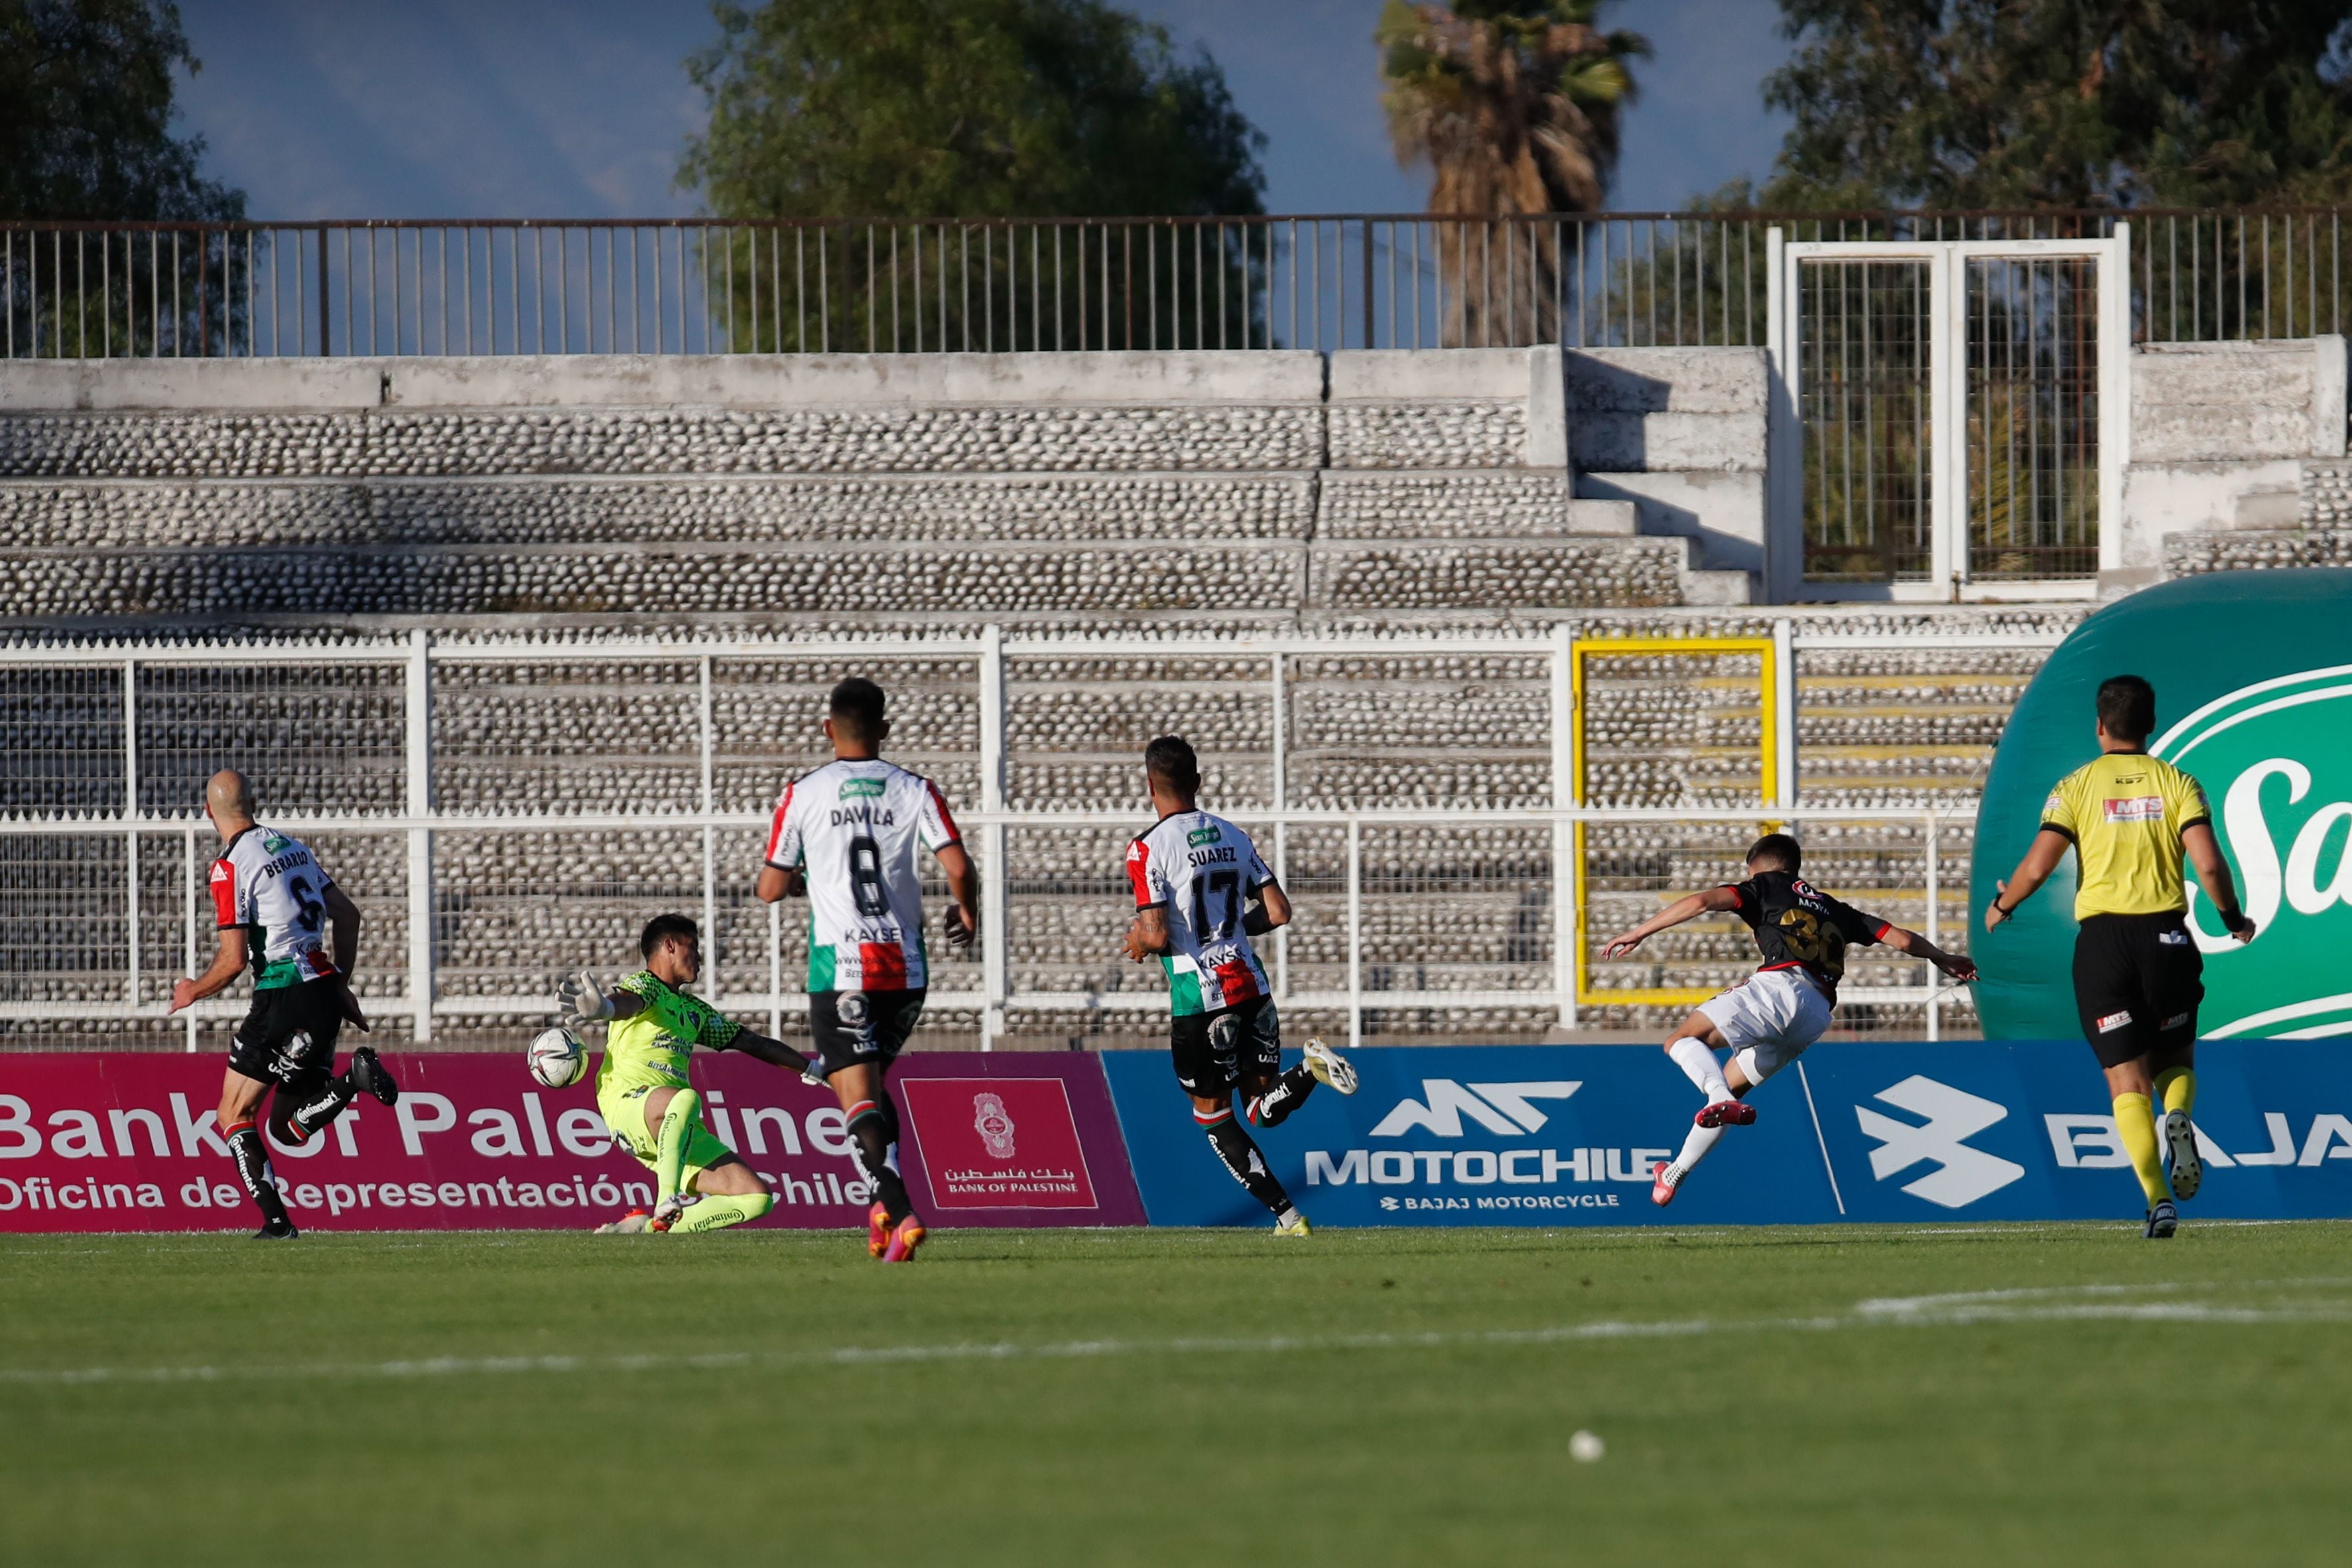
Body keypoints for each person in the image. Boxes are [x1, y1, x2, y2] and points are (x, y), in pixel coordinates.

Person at [1985, 674, 2255, 1238]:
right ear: (2151, 725)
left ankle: (2158, 1199)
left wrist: (2002, 905)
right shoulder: (2179, 782)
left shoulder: (2076, 785)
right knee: (2175, 1061)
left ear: (2100, 726)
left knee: (2125, 1084)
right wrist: (2233, 920)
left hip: (2105, 944)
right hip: (2168, 938)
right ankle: (2177, 1114)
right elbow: (2208, 866)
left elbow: (2037, 867)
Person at [1602, 830, 1978, 1208]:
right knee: (1729, 1094)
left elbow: (1702, 901)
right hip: (1814, 1016)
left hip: (1779, 986)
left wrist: (1639, 932)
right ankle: (1674, 1174)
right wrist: (1942, 957)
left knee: (1683, 1042)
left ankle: (1715, 1099)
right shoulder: (1835, 908)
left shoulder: (1762, 887)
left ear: (1756, 867)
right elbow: (1900, 939)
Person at [755, 677, 979, 1264]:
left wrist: (808, 877)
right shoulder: (914, 789)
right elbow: (958, 863)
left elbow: (769, 887)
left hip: (842, 968)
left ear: (828, 728)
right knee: (870, 1088)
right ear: (884, 728)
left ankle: (899, 1209)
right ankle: (879, 1209)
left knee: (853, 1094)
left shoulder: (802, 793)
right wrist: (967, 910)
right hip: (905, 970)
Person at [1121, 734, 1357, 1236]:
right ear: (1198, 783)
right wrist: (1229, 931)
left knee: (1213, 1117)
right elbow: (1278, 911)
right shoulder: (1233, 835)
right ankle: (1310, 1071)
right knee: (1262, 1109)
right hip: (1251, 985)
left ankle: (1290, 1218)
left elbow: (1160, 933)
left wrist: (1142, 940)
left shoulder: (1146, 849)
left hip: (1198, 998)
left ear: (1150, 787)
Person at [168, 769, 398, 1239]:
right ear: (253, 803)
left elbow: (232, 962)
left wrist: (193, 989)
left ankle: (277, 1224)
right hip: (321, 992)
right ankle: (350, 1083)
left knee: (232, 1115)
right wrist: (342, 985)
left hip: (281, 995)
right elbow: (349, 916)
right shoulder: (294, 847)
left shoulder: (231, 865)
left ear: (208, 811)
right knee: (289, 1127)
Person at [558, 914, 821, 1234]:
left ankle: (649, 1228)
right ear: (670, 946)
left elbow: (752, 1042)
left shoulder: (694, 1011)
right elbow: (627, 1002)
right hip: (628, 1106)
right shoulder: (647, 986)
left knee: (756, 1198)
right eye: (693, 947)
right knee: (684, 1098)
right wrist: (605, 1009)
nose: (699, 957)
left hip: (675, 1127)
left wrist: (812, 1068)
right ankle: (667, 1198)